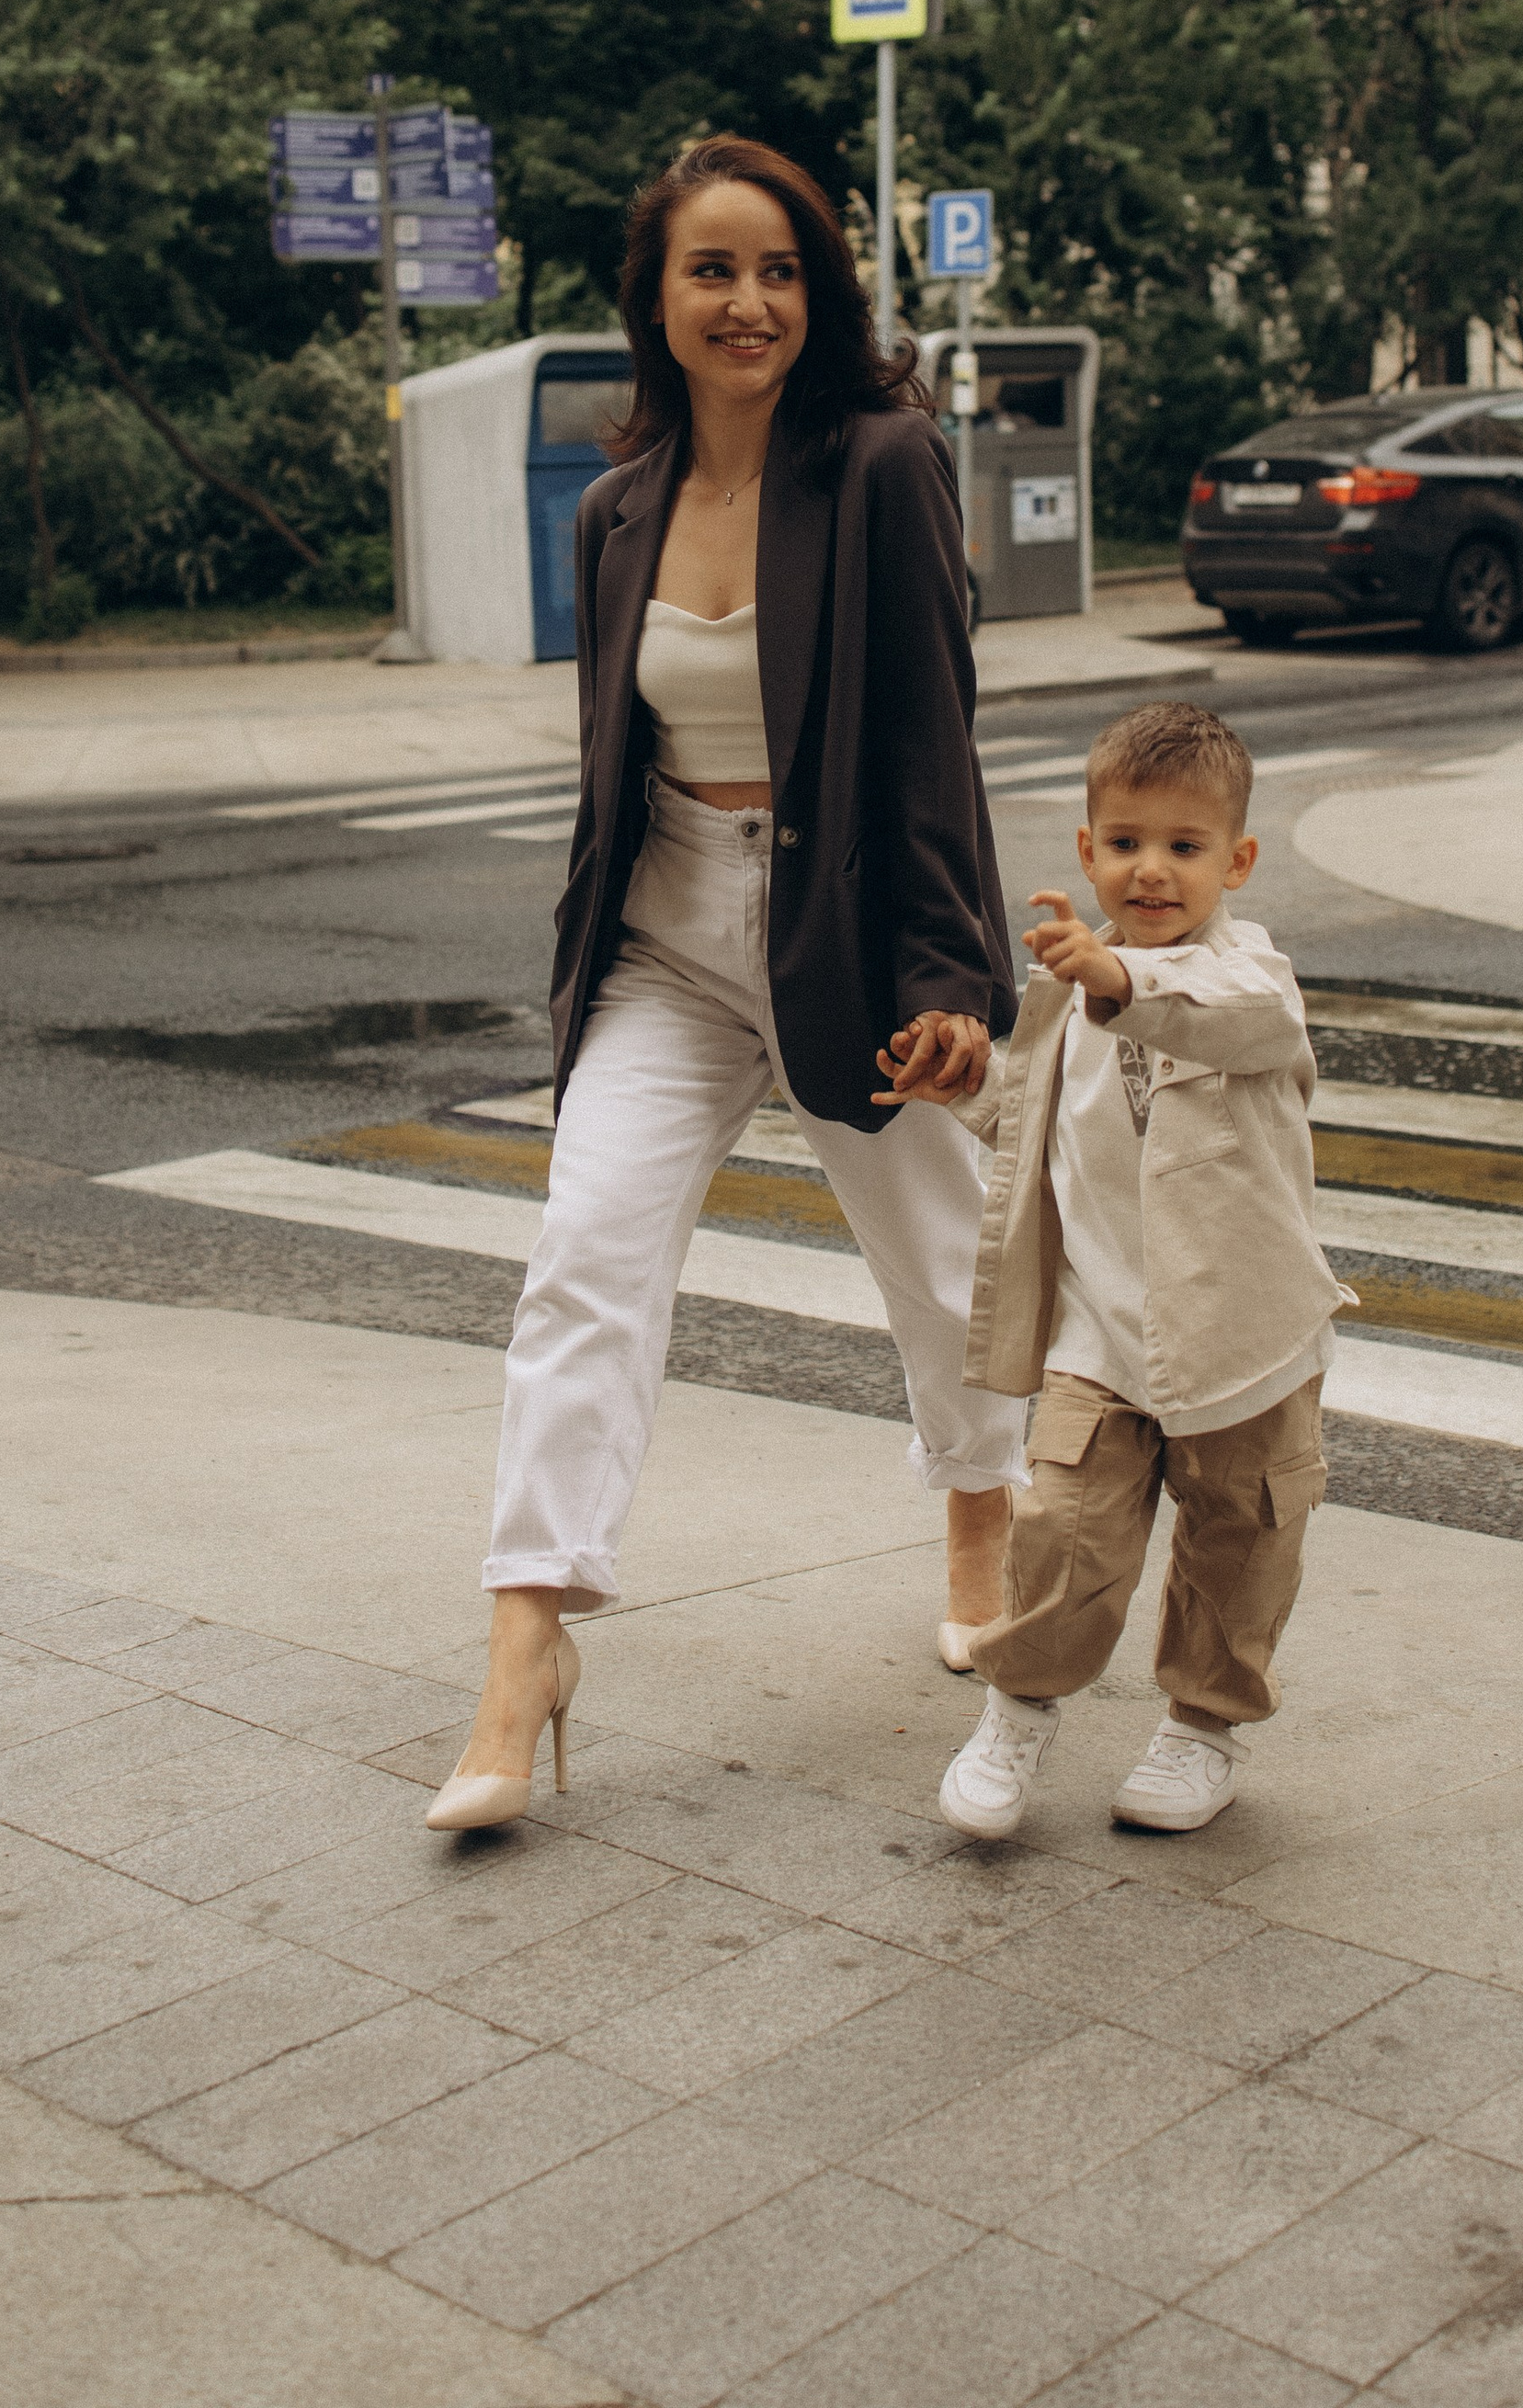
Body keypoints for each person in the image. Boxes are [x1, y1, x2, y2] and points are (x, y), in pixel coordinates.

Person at [425, 134, 1029, 1833]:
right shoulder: (619, 512)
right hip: (669, 935)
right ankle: (524, 1642)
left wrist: (952, 977)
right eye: (712, 271)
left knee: (939, 1258)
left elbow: (932, 738)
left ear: (815, 292)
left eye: (777, 270)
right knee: (583, 1259)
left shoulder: (887, 465)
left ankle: (981, 1520)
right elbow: (612, 770)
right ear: (659, 301)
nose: (747, 301)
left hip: (841, 922)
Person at [883, 699, 1352, 1841]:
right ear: (1087, 852)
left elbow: (1225, 1023)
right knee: (1064, 1538)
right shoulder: (1068, 985)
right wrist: (964, 1086)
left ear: (1235, 861)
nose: (1153, 871)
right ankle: (1017, 1712)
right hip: (1102, 1339)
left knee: (1239, 1546)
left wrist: (1116, 981)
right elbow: (1034, 1123)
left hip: (1245, 1338)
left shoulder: (1251, 980)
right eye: (1127, 843)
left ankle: (1201, 1728)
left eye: (1185, 848)